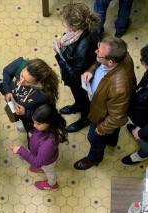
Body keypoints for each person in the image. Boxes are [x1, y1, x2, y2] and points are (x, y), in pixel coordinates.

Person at [73, 36, 136, 170]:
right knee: (111, 133)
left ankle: (94, 157)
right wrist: (91, 70)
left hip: (103, 115)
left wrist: (101, 129)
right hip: (105, 103)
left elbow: (117, 117)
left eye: (99, 53)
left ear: (111, 62)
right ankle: (111, 141)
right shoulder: (121, 54)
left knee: (94, 137)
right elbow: (100, 62)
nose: (96, 51)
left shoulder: (119, 88)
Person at [54, 2, 99, 133]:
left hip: (79, 78)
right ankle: (77, 105)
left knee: (82, 96)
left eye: (66, 21)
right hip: (78, 73)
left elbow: (74, 72)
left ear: (74, 25)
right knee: (78, 95)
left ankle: (85, 117)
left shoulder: (82, 47)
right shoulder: (82, 30)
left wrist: (59, 53)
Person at [9, 104, 68, 191]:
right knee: (41, 165)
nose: (34, 125)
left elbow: (37, 162)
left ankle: (52, 184)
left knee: (50, 173)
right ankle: (42, 169)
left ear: (49, 123)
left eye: (38, 123)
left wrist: (20, 150)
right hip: (40, 155)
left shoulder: (49, 144)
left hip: (47, 163)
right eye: (34, 122)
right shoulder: (46, 128)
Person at [1, 58, 59, 133]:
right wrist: (7, 91)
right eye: (21, 75)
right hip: (16, 103)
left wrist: (25, 113)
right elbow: (6, 71)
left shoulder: (46, 95)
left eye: (27, 82)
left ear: (37, 82)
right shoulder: (20, 64)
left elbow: (44, 114)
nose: (21, 82)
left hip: (29, 119)